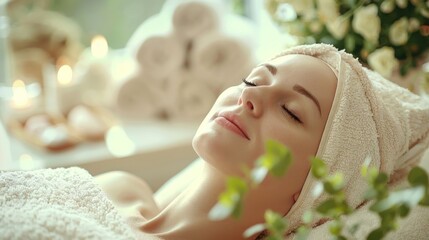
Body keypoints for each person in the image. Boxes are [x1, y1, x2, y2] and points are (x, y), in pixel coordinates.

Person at [95, 43, 429, 240]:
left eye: (290, 111)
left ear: (317, 189)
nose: (250, 95)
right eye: (252, 79)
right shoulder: (115, 189)